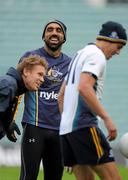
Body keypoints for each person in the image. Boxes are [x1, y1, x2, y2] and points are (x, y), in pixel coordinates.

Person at [58, 21, 127, 180]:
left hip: (66, 131)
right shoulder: (97, 55)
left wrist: (66, 126)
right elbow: (84, 87)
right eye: (119, 47)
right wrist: (107, 118)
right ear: (111, 39)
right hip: (84, 126)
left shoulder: (79, 54)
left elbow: (61, 96)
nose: (118, 52)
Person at [19, 20, 72, 180]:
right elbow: (16, 87)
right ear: (44, 36)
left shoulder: (70, 63)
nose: (54, 32)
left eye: (59, 30)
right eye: (49, 30)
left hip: (59, 131)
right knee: (28, 177)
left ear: (64, 37)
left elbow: (72, 101)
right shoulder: (30, 57)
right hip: (34, 126)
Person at [0, 54, 48, 142]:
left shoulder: (14, 87)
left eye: (43, 76)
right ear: (26, 72)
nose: (42, 80)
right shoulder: (8, 85)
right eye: (39, 74)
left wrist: (7, 124)